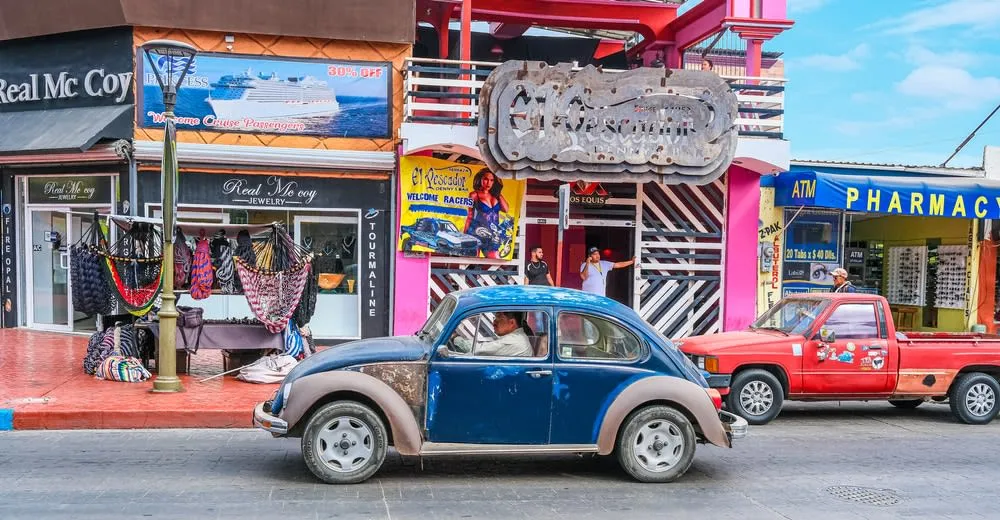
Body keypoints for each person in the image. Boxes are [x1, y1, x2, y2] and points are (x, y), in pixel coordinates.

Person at [463, 168, 509, 259]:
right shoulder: (474, 195)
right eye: (485, 179)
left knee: (495, 259)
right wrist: (464, 235)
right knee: (471, 262)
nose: (488, 183)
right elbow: (469, 215)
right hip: (476, 231)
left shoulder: (496, 195)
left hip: (492, 234)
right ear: (480, 179)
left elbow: (506, 209)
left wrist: (498, 193)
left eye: (491, 180)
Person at [453, 311, 533, 357]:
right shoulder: (517, 337)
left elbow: (477, 350)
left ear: (512, 323)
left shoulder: (512, 341)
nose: (494, 322)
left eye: (499, 318)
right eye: (495, 318)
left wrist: (455, 338)